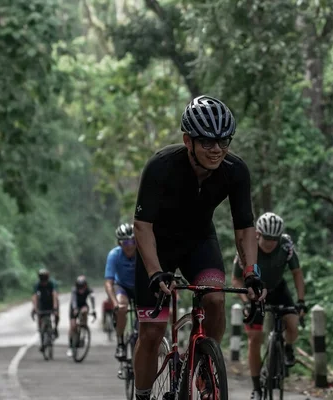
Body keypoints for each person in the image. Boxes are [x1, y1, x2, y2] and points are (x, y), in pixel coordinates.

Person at [132, 95, 267, 400]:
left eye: (223, 141)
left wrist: (251, 272)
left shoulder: (235, 170)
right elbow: (143, 226)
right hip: (158, 245)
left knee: (216, 300)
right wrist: (155, 272)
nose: (216, 149)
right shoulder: (161, 166)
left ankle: (206, 364)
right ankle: (141, 395)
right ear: (187, 140)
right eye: (206, 142)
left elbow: (245, 226)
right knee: (152, 332)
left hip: (199, 242)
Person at [232, 212, 307, 400]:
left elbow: (297, 273)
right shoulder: (247, 248)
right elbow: (236, 279)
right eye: (267, 238)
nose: (270, 243)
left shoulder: (286, 246)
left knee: (293, 323)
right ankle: (257, 388)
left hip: (278, 289)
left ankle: (287, 348)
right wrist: (246, 302)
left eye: (275, 239)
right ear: (258, 234)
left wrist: (301, 301)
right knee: (255, 338)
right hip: (255, 292)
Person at [104, 223, 137, 360]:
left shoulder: (142, 253)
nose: (129, 245)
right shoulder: (114, 255)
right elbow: (108, 283)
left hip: (138, 287)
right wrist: (114, 303)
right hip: (122, 286)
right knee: (122, 307)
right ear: (119, 243)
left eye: (133, 241)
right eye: (125, 242)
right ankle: (121, 343)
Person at [66, 275, 96, 357]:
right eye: (79, 286)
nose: (80, 288)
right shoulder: (74, 290)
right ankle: (70, 346)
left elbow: (92, 299)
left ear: (85, 285)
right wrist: (75, 309)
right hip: (73, 307)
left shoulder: (89, 290)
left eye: (82, 286)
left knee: (85, 311)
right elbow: (74, 300)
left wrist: (93, 310)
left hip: (83, 305)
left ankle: (84, 327)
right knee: (73, 326)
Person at [31, 268, 59, 352]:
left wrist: (55, 307)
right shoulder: (37, 284)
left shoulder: (51, 283)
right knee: (40, 317)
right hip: (42, 304)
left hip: (51, 302)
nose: (43, 280)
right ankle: (41, 332)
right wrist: (35, 308)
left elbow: (54, 294)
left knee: (57, 315)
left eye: (45, 277)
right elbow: (35, 296)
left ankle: (56, 328)